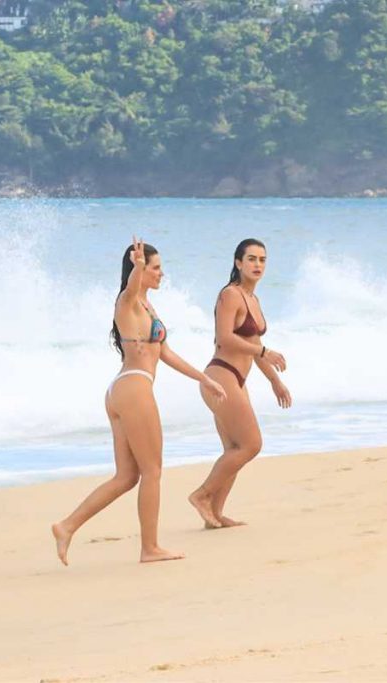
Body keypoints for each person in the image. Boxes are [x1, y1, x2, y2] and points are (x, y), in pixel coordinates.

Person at [52, 237, 227, 564]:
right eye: (155, 268)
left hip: (123, 389)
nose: (161, 274)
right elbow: (132, 288)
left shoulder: (148, 307)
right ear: (140, 269)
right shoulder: (128, 300)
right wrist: (137, 267)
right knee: (153, 471)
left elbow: (166, 354)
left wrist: (204, 378)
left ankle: (67, 526)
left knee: (127, 477)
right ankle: (150, 548)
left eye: (160, 267)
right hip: (134, 387)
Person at [188, 238, 290, 529]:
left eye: (262, 260)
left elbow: (253, 344)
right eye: (252, 259)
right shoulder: (230, 294)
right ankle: (201, 495)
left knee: (234, 448)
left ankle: (215, 514)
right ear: (238, 263)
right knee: (251, 444)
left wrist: (275, 381)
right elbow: (225, 338)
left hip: (237, 379)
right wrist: (264, 351)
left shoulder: (253, 299)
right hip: (220, 376)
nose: (258, 264)